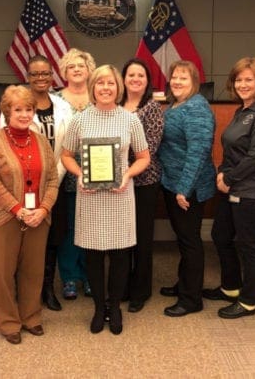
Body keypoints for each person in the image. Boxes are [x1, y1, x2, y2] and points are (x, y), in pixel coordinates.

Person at [60, 64, 149, 335]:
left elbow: (144, 157)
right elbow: (66, 155)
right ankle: (99, 308)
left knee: (121, 255)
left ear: (118, 87)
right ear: (93, 87)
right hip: (90, 198)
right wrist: (79, 175)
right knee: (94, 256)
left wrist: (127, 175)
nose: (106, 88)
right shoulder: (80, 120)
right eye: (100, 83)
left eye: (111, 83)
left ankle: (115, 307)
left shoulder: (130, 119)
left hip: (120, 195)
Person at [0, 85, 59, 344]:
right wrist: (17, 209)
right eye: (18, 109)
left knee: (33, 270)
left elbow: (52, 179)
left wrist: (43, 209)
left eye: (29, 109)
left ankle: (31, 317)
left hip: (38, 217)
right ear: (7, 112)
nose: (24, 114)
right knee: (3, 273)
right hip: (4, 217)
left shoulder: (40, 141)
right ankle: (8, 322)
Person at [203, 57, 255, 319]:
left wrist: (229, 178)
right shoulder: (241, 111)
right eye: (239, 79)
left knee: (249, 246)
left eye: (249, 80)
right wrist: (222, 173)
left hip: (252, 191)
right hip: (232, 185)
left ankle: (248, 300)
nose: (243, 84)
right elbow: (231, 150)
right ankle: (231, 287)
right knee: (221, 236)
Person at [157, 60, 216, 318]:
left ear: (194, 82)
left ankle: (191, 299)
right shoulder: (176, 104)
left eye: (184, 78)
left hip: (187, 187)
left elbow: (198, 152)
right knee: (183, 239)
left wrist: (183, 189)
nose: (177, 82)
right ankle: (185, 285)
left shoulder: (197, 108)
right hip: (173, 182)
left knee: (190, 241)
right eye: (174, 77)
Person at [21, 55, 72, 311]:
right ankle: (28, 291)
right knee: (30, 238)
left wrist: (55, 177)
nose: (41, 78)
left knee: (53, 237)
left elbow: (69, 145)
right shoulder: (18, 105)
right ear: (28, 76)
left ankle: (47, 289)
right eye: (35, 74)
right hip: (27, 185)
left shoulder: (63, 106)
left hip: (58, 182)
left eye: (45, 73)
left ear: (52, 75)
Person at [119, 58, 164, 313]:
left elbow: (150, 148)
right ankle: (123, 284)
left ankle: (141, 290)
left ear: (147, 81)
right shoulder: (114, 106)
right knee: (123, 236)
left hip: (144, 181)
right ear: (123, 79)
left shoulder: (153, 108)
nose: (136, 79)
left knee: (142, 237)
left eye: (141, 75)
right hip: (117, 184)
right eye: (131, 75)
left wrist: (120, 166)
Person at [53, 48, 96, 300]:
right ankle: (69, 277)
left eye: (81, 65)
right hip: (65, 173)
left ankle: (90, 276)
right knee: (69, 226)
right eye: (72, 66)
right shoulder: (55, 99)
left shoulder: (99, 96)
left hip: (97, 175)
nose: (77, 69)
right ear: (64, 72)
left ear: (89, 69)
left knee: (91, 227)